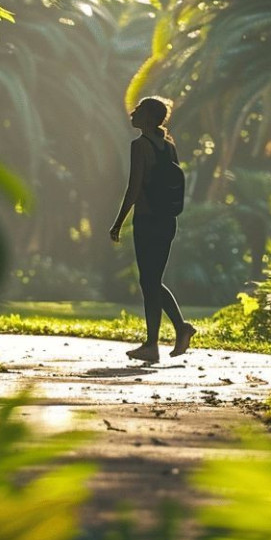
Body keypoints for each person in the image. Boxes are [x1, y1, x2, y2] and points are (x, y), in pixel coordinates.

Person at [109, 96, 195, 363]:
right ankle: (179, 329)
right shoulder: (168, 146)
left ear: (147, 117)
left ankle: (152, 345)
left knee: (149, 281)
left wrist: (118, 222)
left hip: (147, 221)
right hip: (167, 221)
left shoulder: (140, 146)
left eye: (139, 109)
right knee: (152, 280)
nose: (133, 112)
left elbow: (134, 188)